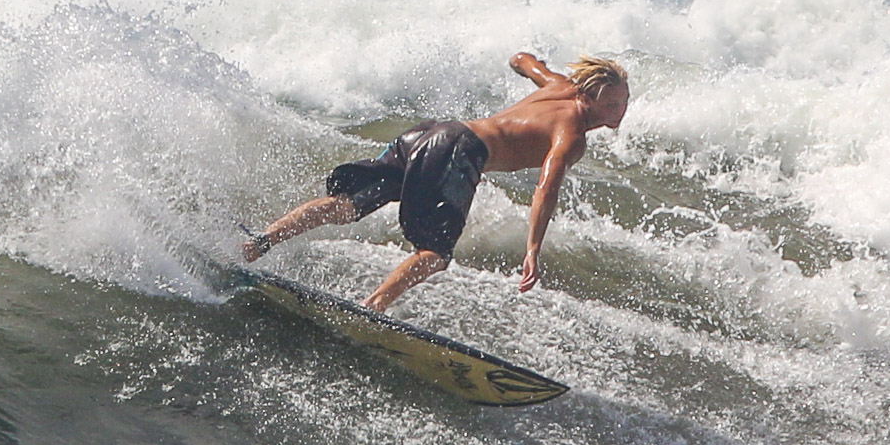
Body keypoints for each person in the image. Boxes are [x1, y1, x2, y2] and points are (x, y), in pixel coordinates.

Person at [242, 52, 630, 312]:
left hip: (432, 133)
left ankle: (257, 244)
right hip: (461, 151)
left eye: (624, 102)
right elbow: (546, 187)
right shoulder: (573, 134)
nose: (620, 112)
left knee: (346, 206)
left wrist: (519, 59)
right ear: (590, 97)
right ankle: (371, 308)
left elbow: (527, 62)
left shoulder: (558, 86)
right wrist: (532, 249)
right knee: (435, 253)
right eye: (612, 104)